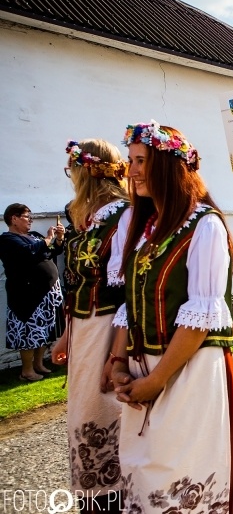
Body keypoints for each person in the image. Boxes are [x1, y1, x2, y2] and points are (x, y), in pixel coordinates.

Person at [109, 121, 233, 513]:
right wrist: (119, 361)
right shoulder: (147, 227)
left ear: (167, 167)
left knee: (176, 479)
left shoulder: (205, 226)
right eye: (130, 161)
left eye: (140, 161)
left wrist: (156, 380)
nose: (131, 170)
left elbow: (199, 319)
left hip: (186, 372)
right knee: (143, 476)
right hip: (146, 369)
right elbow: (130, 303)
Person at [50, 139, 129, 514]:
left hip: (109, 332)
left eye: (72, 171)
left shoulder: (124, 216)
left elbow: (130, 293)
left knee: (105, 413)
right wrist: (67, 334)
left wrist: (115, 356)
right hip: (84, 331)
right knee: (85, 416)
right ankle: (97, 498)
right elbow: (81, 284)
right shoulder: (91, 219)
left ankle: (111, 500)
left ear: (86, 172)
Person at [0, 204, 65, 381]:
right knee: (28, 332)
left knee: (44, 330)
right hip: (26, 295)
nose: (31, 220)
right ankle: (27, 371)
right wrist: (48, 239)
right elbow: (27, 254)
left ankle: (39, 364)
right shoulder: (7, 240)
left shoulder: (33, 236)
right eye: (27, 217)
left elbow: (51, 252)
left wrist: (58, 240)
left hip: (47, 293)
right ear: (14, 218)